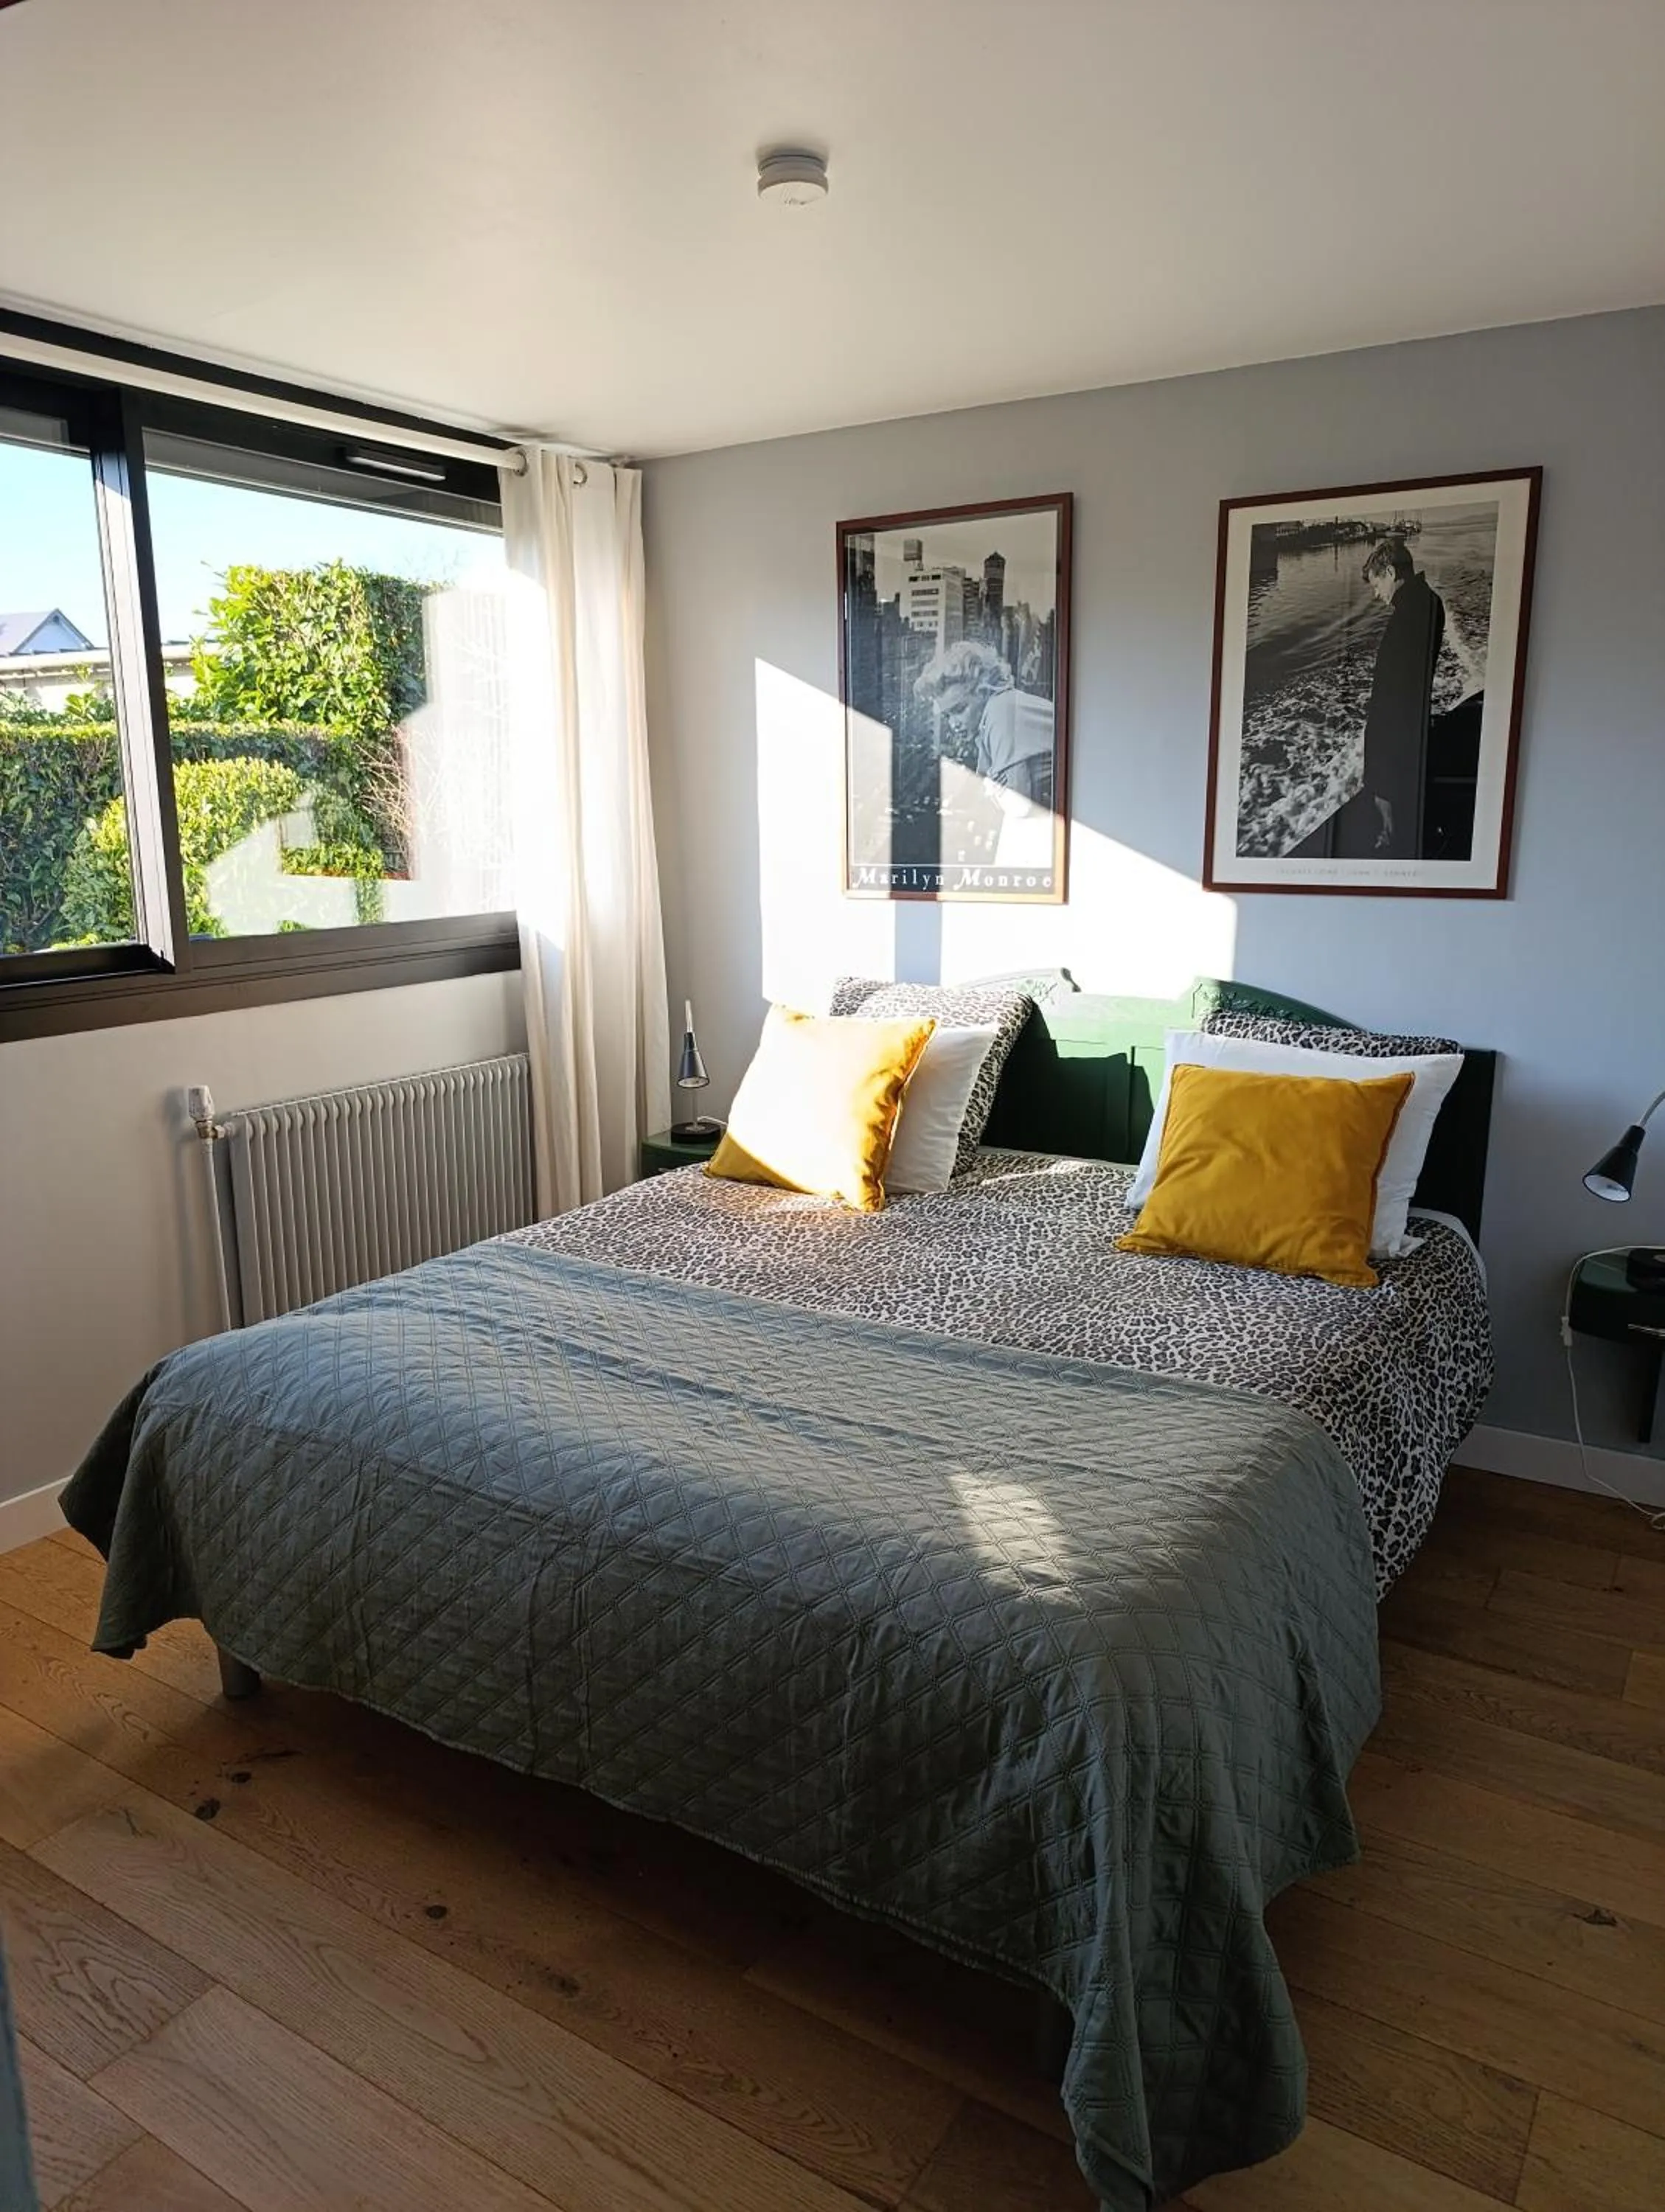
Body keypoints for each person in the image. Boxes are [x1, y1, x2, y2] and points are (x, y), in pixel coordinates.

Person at [1331, 535, 1445, 858]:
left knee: (1387, 796)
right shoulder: (1427, 603)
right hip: (1410, 723)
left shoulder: (1411, 613)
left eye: (1377, 583)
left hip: (1397, 731)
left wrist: (1381, 747)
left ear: (1392, 573)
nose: (1376, 594)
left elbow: (1399, 689)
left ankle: (1392, 840)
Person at [915, 639, 1055, 866]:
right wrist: (996, 788)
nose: (954, 724)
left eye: (959, 710)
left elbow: (1019, 806)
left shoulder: (1002, 713)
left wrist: (994, 788)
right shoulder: (994, 716)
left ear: (983, 692)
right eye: (948, 716)